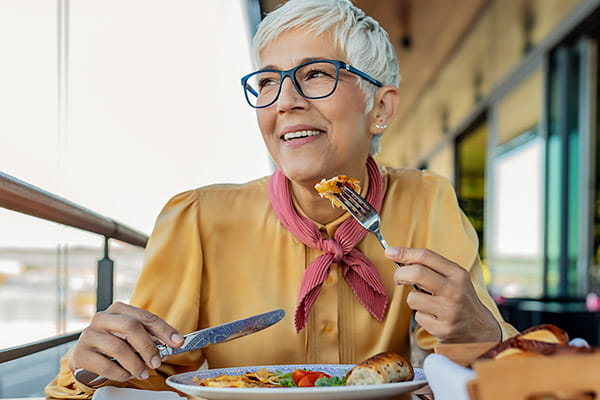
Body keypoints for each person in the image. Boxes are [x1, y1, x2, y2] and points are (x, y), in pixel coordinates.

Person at [46, 0, 518, 397]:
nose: (283, 101)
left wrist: (480, 338)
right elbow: (150, 378)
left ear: (381, 107)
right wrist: (91, 368)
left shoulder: (427, 200)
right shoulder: (197, 219)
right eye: (268, 82)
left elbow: (474, 373)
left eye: (315, 74)